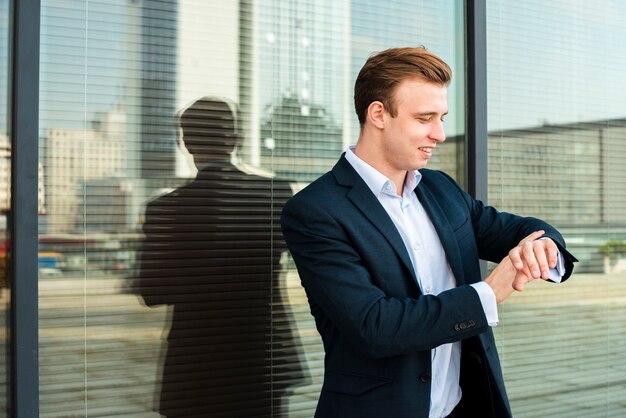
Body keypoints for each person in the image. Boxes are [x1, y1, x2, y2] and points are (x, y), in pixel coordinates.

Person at [280, 47, 577, 418]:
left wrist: (544, 244)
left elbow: (517, 229)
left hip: (463, 408)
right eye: (424, 118)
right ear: (378, 114)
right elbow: (374, 326)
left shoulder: (441, 189)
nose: (439, 134)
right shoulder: (316, 211)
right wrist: (488, 293)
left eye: (442, 118)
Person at [136, 97, 308, 417]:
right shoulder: (274, 192)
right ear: (236, 139)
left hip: (194, 362)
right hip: (261, 356)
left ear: (185, 142)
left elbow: (152, 293)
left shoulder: (165, 209)